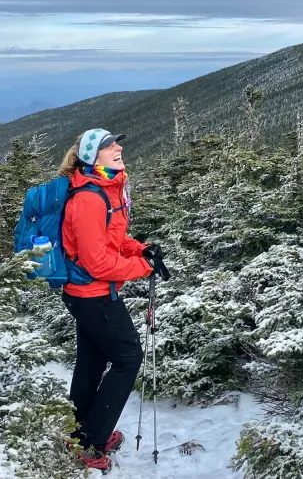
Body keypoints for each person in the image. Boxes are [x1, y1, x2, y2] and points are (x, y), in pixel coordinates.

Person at [58, 128, 166, 473]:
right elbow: (97, 262)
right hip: (92, 295)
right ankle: (92, 441)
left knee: (92, 360)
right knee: (128, 357)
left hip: (88, 294)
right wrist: (141, 266)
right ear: (93, 157)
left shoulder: (107, 187)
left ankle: (76, 433)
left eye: (116, 143)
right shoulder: (89, 199)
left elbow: (113, 238)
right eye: (108, 146)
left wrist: (140, 248)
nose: (118, 148)